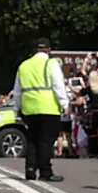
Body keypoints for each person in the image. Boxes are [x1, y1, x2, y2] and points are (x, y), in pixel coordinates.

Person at [13, 37, 68, 182]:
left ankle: (30, 168)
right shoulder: (51, 63)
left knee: (32, 139)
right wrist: (65, 104)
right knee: (46, 141)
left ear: (33, 50)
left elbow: (17, 90)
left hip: (29, 108)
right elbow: (58, 85)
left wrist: (16, 108)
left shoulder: (24, 65)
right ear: (49, 50)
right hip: (48, 108)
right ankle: (46, 171)